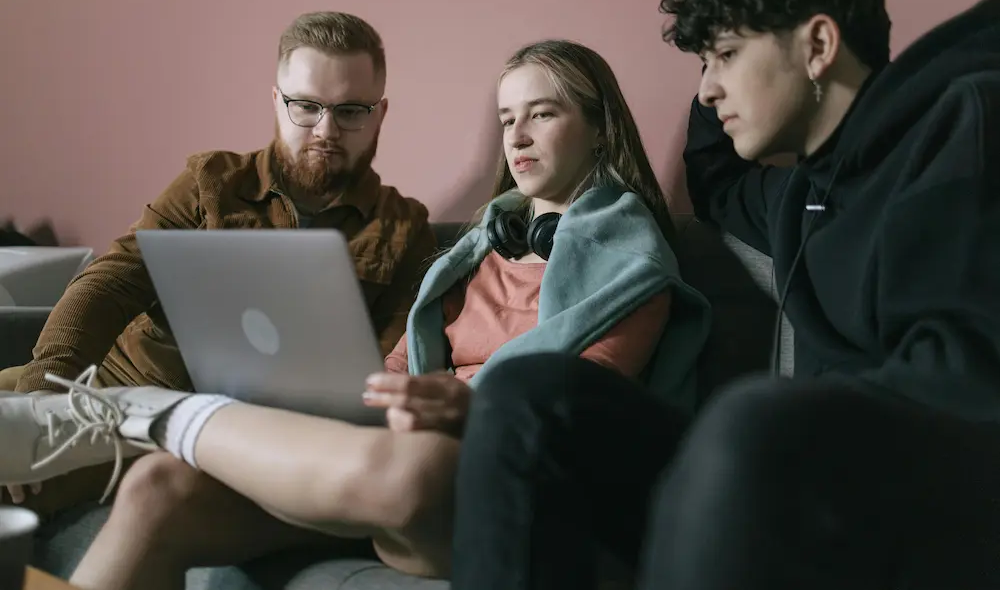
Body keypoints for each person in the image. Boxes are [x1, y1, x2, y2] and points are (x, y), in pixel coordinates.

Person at [0, 39, 711, 590]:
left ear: (598, 128)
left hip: (490, 477)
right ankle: (147, 423)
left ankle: (144, 413)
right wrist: (373, 395)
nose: (517, 136)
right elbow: (396, 366)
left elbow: (577, 405)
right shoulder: (473, 251)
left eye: (543, 114)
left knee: (415, 467)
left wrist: (457, 402)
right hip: (391, 457)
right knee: (161, 488)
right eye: (506, 119)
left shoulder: (631, 263)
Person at [446, 0, 1000, 589]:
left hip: (936, 489)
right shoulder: (797, 196)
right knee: (529, 394)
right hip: (795, 481)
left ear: (818, 46)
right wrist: (716, 36)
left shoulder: (962, 125)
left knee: (750, 418)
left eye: (728, 56)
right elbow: (714, 175)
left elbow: (964, 380)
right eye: (705, 63)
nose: (709, 89)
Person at [0, 11, 437, 514]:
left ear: (380, 113)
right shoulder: (211, 181)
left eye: (351, 111)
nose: (326, 129)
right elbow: (109, 284)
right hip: (102, 383)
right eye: (306, 106)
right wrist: (40, 401)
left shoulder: (405, 229)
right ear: (276, 101)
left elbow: (387, 372)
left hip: (201, 435)